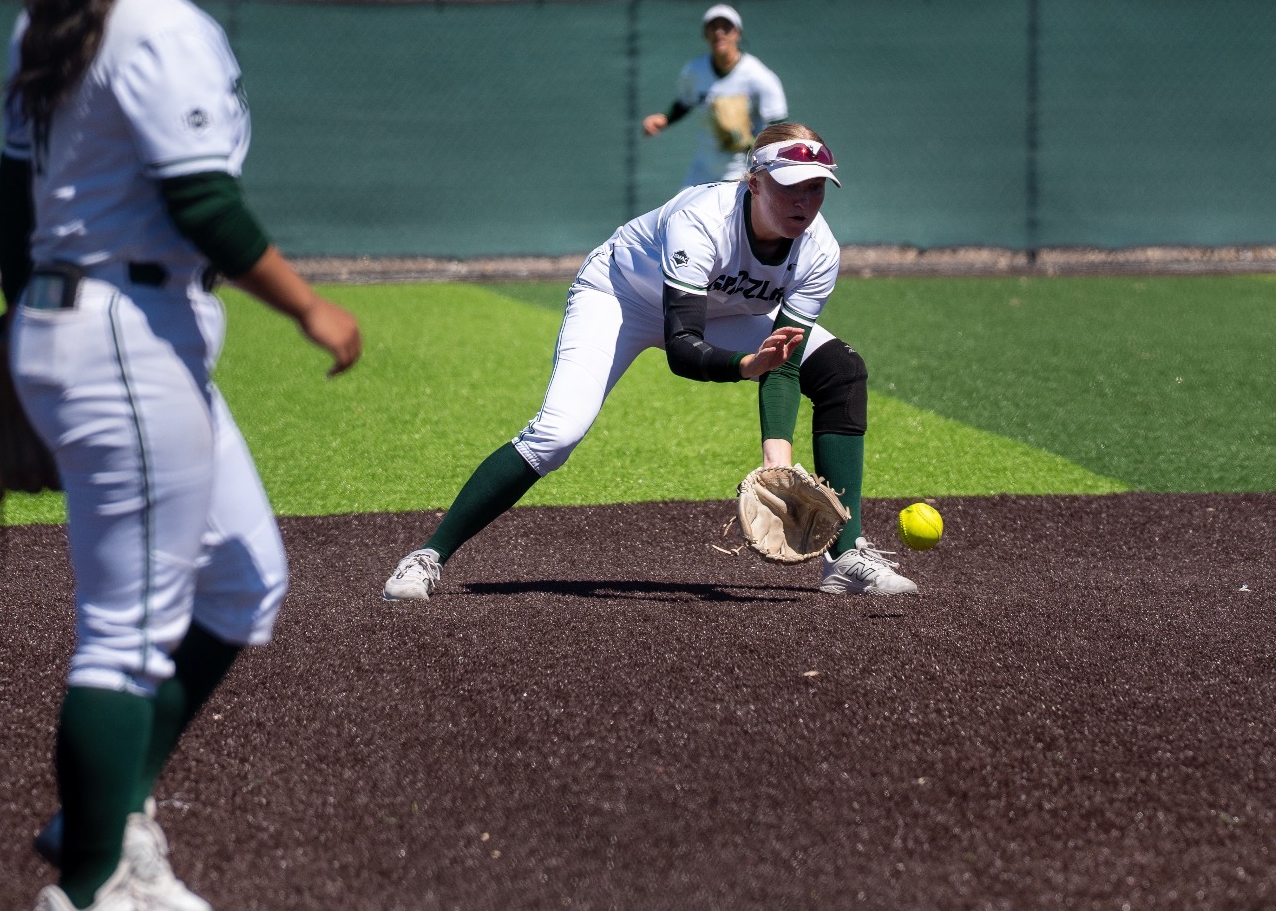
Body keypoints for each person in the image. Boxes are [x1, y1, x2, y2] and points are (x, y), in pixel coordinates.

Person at [0, 0, 363, 911]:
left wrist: (18, 329)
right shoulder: (159, 23)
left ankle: (111, 815)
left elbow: (11, 191)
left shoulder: (53, 8)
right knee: (125, 635)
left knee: (247, 576)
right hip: (123, 333)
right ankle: (95, 885)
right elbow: (202, 203)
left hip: (87, 325)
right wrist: (311, 308)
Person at [382, 121, 915, 603]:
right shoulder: (702, 220)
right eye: (789, 184)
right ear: (753, 182)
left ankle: (846, 557)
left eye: (816, 186)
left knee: (842, 371)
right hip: (623, 297)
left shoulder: (819, 250)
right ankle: (428, 555)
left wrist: (777, 461)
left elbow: (785, 361)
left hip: (726, 311)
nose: (804, 200)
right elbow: (683, 347)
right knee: (557, 434)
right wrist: (744, 365)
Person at [641, 3, 788, 185]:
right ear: (705, 34)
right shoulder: (695, 70)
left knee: (727, 212)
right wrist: (664, 119)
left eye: (726, 27)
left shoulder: (759, 76)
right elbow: (685, 102)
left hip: (740, 166)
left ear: (738, 33)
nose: (719, 32)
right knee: (681, 210)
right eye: (713, 27)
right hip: (703, 165)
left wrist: (751, 143)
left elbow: (778, 124)